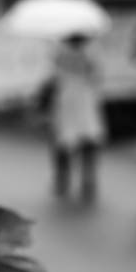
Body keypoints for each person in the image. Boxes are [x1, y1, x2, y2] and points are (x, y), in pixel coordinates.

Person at [47, 34, 106, 203]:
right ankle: (87, 182)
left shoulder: (60, 53)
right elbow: (97, 78)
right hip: (83, 104)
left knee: (64, 144)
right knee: (86, 144)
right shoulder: (91, 53)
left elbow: (53, 78)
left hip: (68, 104)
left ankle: (63, 180)